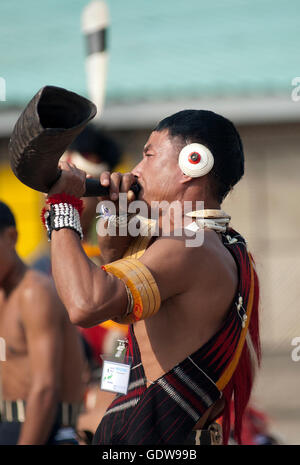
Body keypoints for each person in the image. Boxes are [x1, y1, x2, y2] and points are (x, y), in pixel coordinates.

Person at [41, 109, 261, 445]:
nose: (136, 170)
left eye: (148, 155)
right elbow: (115, 286)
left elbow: (86, 304)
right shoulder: (210, 241)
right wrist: (116, 216)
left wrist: (63, 207)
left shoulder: (189, 246)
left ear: (193, 161)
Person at [0, 201, 85, 445]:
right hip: (12, 426)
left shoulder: (34, 293)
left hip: (44, 431)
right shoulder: (5, 293)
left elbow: (45, 389)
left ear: (11, 237)